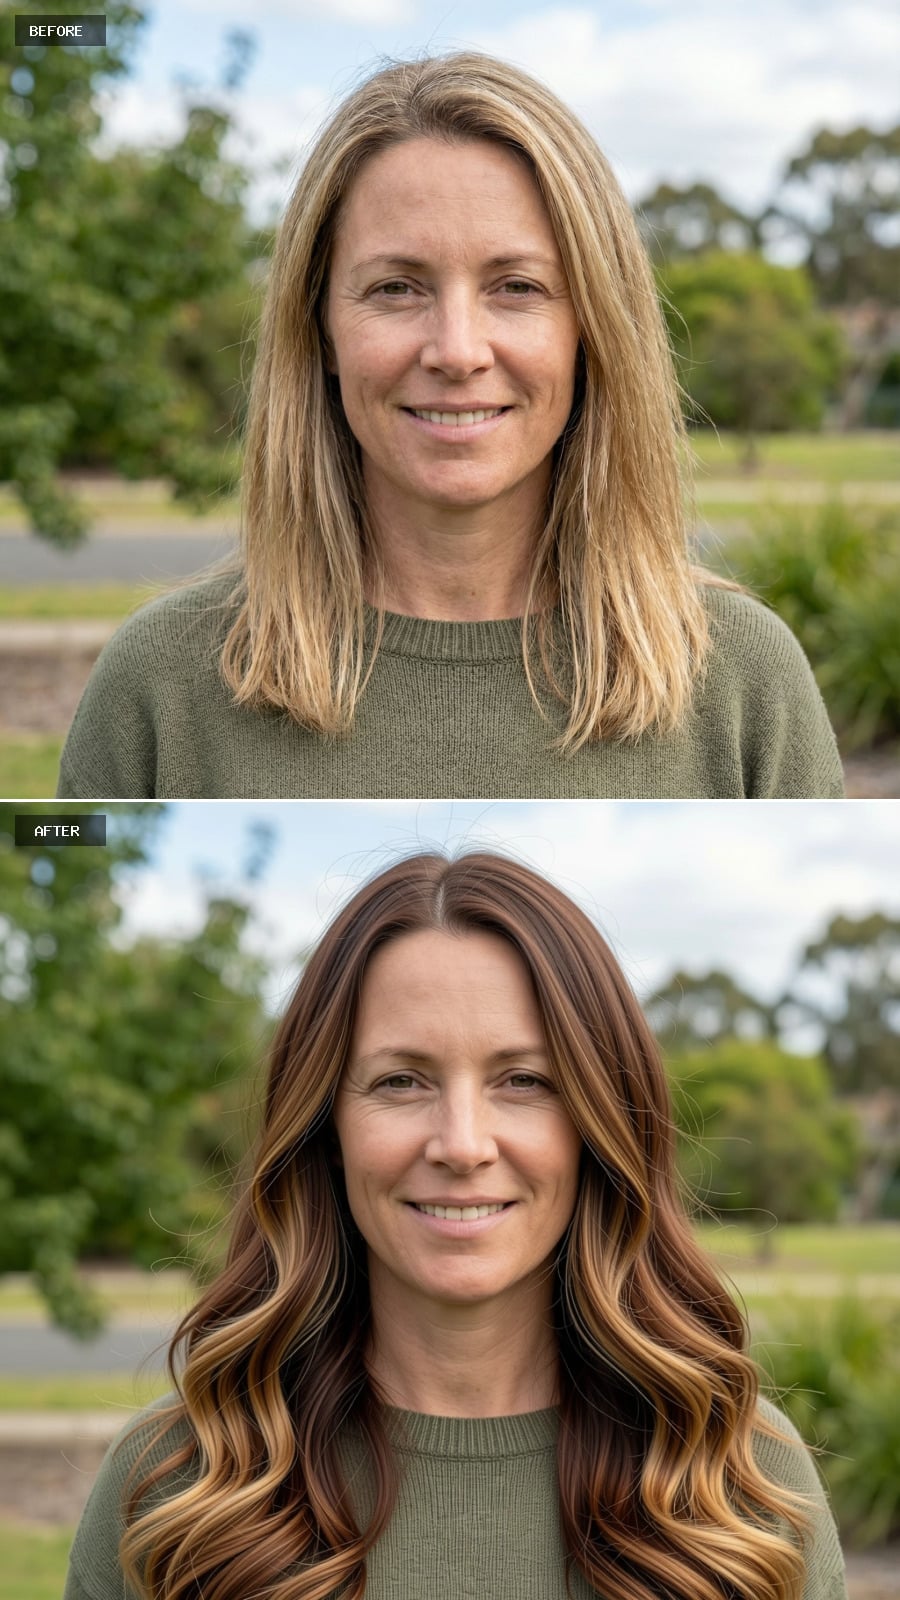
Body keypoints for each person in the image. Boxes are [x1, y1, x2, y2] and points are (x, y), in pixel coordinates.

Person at [56, 53, 842, 800]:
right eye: (396, 287)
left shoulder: (744, 680)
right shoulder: (158, 687)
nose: (458, 351)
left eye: (517, 287)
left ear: (592, 329)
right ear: (319, 327)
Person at [64, 851, 847, 1600]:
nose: (463, 1145)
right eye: (401, 1081)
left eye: (524, 1081)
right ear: (325, 1128)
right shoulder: (180, 1481)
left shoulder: (738, 1479)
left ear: (598, 1126)